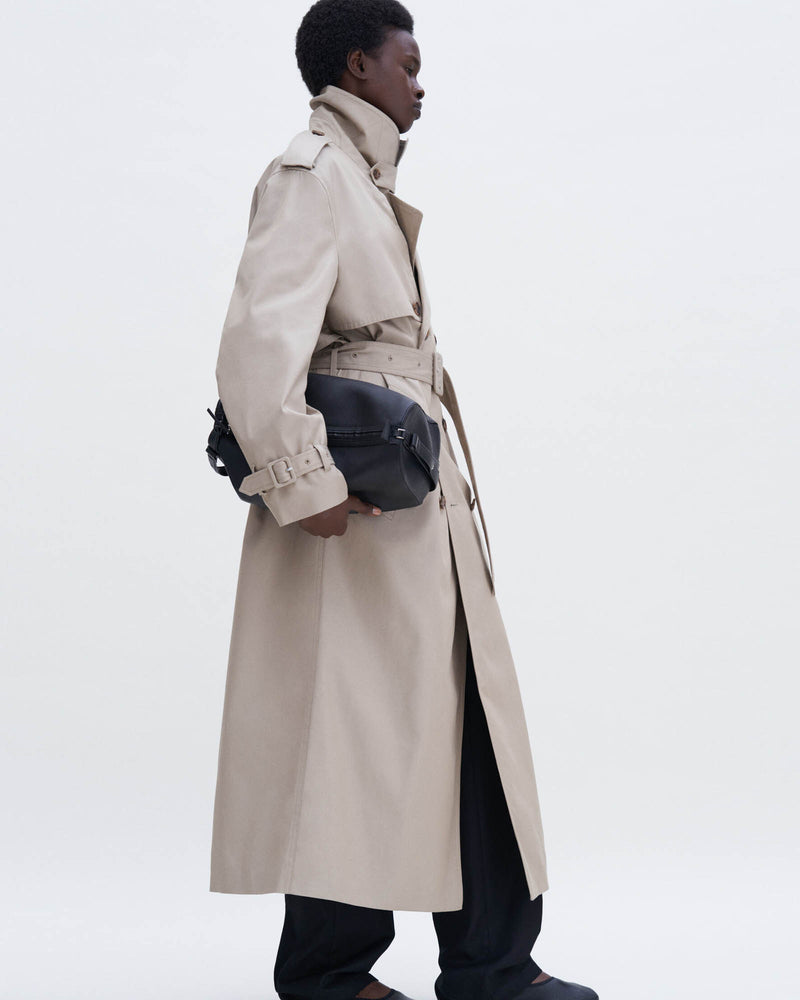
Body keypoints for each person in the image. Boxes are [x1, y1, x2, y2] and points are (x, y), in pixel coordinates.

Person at [210, 2, 598, 999]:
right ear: (357, 65)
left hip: (411, 511)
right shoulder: (312, 176)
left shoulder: (361, 179)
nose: (420, 84)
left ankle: (467, 968)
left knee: (437, 735)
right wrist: (307, 489)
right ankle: (380, 975)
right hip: (360, 522)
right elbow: (257, 350)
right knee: (361, 745)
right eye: (407, 63)